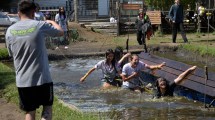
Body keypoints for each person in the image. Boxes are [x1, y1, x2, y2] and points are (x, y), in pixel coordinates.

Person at [5, 1, 64, 120]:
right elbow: (60, 32)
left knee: (29, 112)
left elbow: (11, 54)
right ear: (33, 12)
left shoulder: (10, 31)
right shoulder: (39, 25)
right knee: (47, 109)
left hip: (23, 81)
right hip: (43, 79)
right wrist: (52, 21)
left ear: (18, 13)